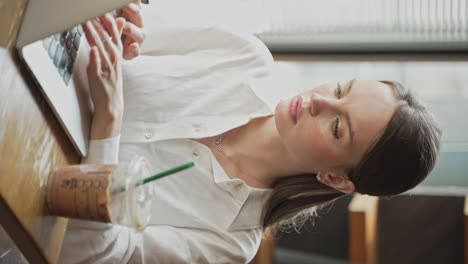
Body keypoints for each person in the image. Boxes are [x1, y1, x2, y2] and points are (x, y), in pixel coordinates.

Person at [59, 3, 442, 263]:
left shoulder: (229, 242)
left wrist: (107, 124)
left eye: (337, 127)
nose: (319, 101)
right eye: (340, 89)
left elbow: (89, 254)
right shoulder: (244, 55)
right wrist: (123, 27)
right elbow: (102, 28)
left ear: (336, 178)